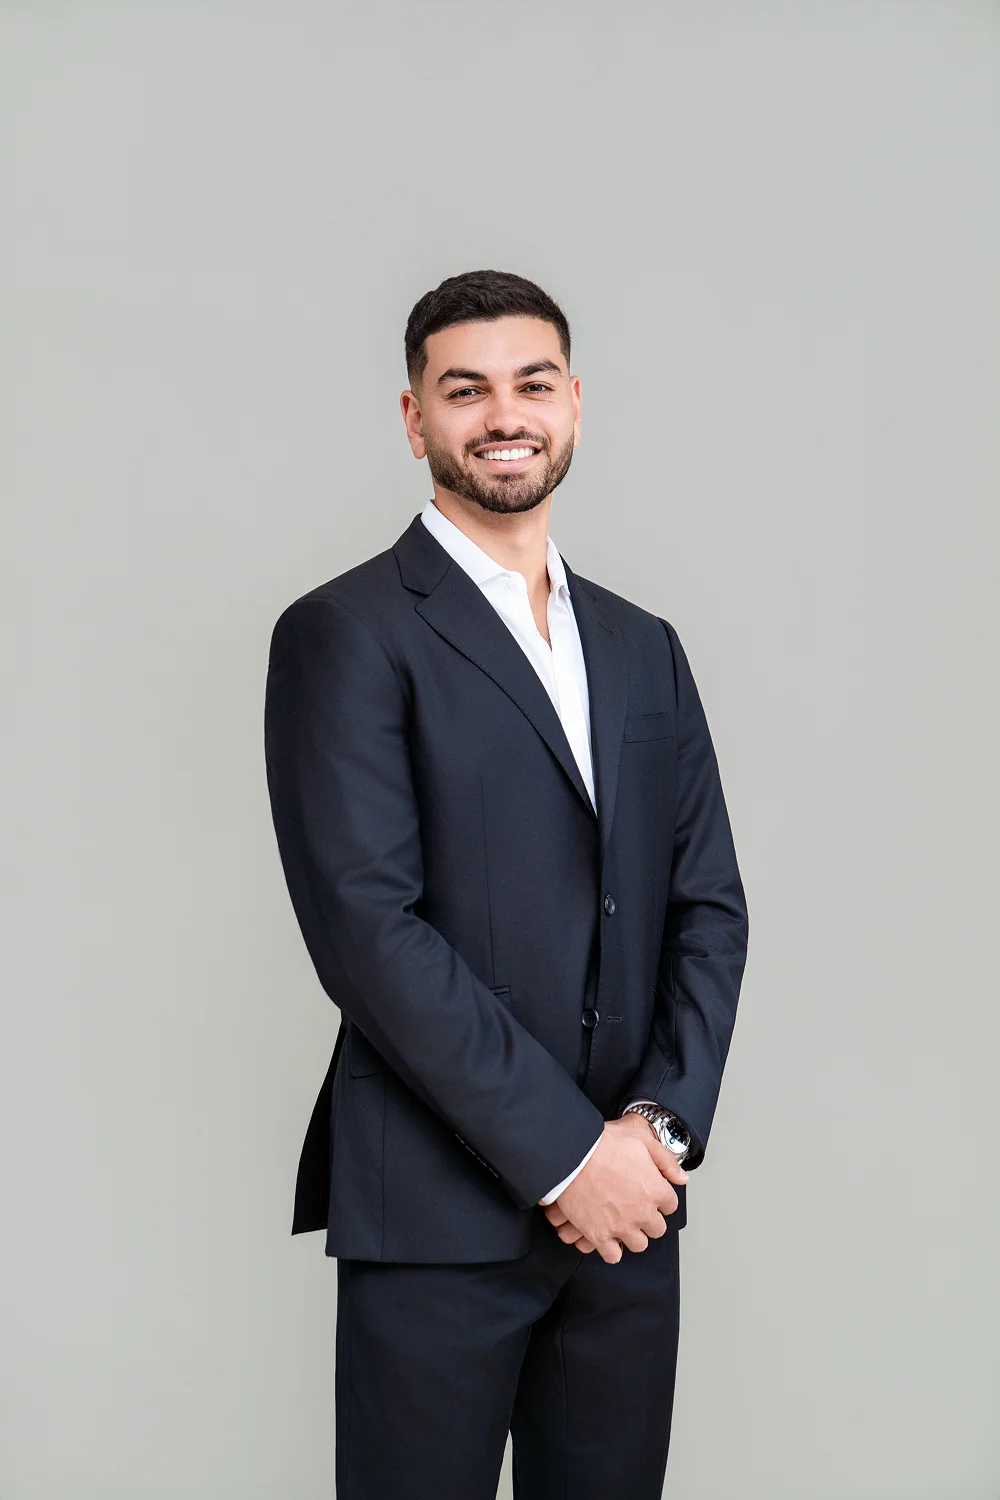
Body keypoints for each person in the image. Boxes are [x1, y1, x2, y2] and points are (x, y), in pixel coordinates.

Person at [263, 269, 748, 1499]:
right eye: (464, 389)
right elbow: (368, 932)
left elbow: (706, 909)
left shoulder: (643, 646)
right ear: (414, 418)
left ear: (575, 402)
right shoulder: (344, 632)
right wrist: (568, 1159)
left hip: (629, 1216)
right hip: (436, 1217)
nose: (503, 415)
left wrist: (652, 1134)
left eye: (531, 384)